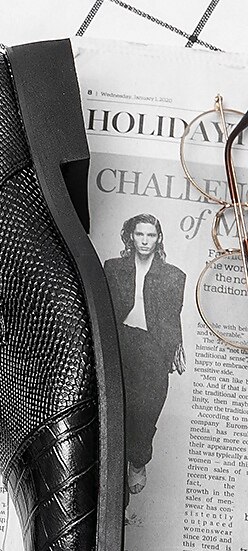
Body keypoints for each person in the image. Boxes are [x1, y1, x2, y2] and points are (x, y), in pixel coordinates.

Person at [104, 214, 186, 522]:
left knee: (147, 411)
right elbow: (103, 309)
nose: (145, 241)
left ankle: (138, 459)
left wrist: (176, 346)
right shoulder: (113, 268)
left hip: (152, 347)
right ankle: (118, 503)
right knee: (116, 415)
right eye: (140, 234)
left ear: (158, 238)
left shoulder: (174, 276)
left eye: (151, 235)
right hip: (120, 341)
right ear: (130, 236)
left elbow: (172, 315)